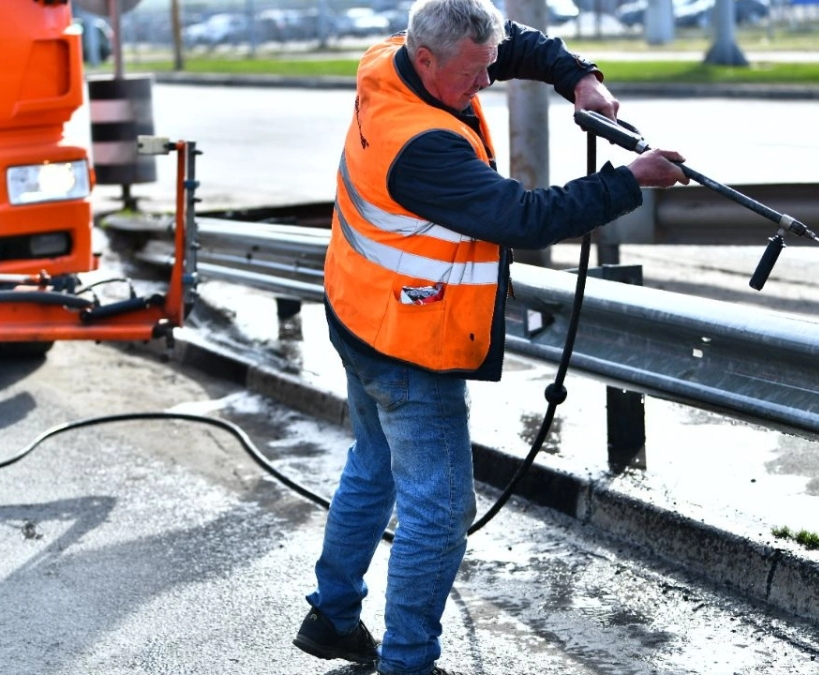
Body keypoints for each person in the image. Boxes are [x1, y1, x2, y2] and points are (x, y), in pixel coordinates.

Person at [294, 0, 688, 673]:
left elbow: (511, 48)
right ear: (427, 61)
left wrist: (578, 78)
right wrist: (628, 181)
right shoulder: (419, 144)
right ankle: (409, 662)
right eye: (475, 74)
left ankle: (332, 616)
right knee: (440, 509)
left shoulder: (398, 57)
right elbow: (524, 217)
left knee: (373, 464)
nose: (486, 84)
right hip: (407, 344)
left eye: (488, 68)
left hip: (356, 309)